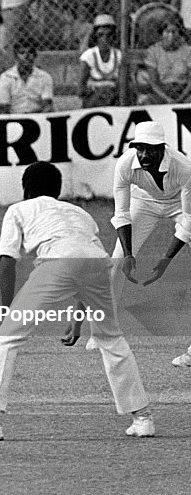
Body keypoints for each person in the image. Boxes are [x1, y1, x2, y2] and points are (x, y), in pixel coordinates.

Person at [0, 161, 154, 441]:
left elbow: (7, 260)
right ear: (57, 189)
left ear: (25, 188)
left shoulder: (18, 209)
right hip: (99, 265)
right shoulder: (79, 212)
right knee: (111, 339)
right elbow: (84, 259)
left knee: (5, 339)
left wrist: (6, 311)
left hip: (58, 263)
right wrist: (79, 322)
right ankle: (143, 418)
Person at [102, 121, 191, 368]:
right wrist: (129, 255)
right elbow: (121, 213)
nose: (144, 155)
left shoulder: (183, 167)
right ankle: (103, 331)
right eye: (139, 148)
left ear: (163, 148)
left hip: (179, 205)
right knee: (116, 261)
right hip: (145, 203)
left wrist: (164, 262)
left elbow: (189, 221)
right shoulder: (124, 164)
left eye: (150, 149)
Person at [140, 19, 191, 105]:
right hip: (162, 92)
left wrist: (180, 98)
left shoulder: (188, 51)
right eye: (167, 31)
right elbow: (154, 83)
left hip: (183, 91)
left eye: (174, 32)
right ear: (161, 34)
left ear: (179, 34)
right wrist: (167, 99)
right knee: (147, 101)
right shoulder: (153, 51)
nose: (171, 35)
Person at [0, 39, 54, 113]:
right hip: (14, 118)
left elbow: (47, 105)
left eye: (30, 52)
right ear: (16, 56)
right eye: (22, 53)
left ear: (35, 55)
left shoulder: (44, 77)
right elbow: (4, 106)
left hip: (38, 117)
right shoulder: (6, 77)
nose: (27, 56)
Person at [79, 14, 123, 107]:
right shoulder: (88, 56)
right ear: (95, 36)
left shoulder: (119, 55)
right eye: (101, 35)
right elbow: (81, 89)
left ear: (114, 36)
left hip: (114, 98)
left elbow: (122, 84)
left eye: (109, 35)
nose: (105, 39)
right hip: (94, 99)